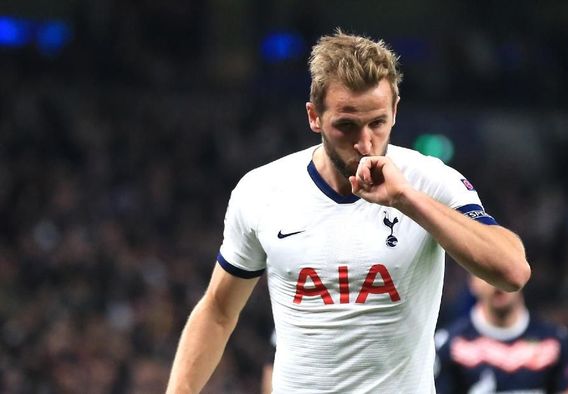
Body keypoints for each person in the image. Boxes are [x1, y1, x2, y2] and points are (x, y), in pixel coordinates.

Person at [166, 29, 531, 393]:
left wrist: (407, 200)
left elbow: (512, 270)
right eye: (346, 125)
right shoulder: (262, 191)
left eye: (378, 122)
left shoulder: (429, 182)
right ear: (314, 117)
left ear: (395, 112)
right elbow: (218, 311)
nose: (365, 143)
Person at [435, 275, 568, 394]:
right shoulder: (449, 344)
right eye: (486, 271)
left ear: (523, 275)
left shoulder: (554, 340)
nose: (497, 282)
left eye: (505, 271)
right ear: (472, 282)